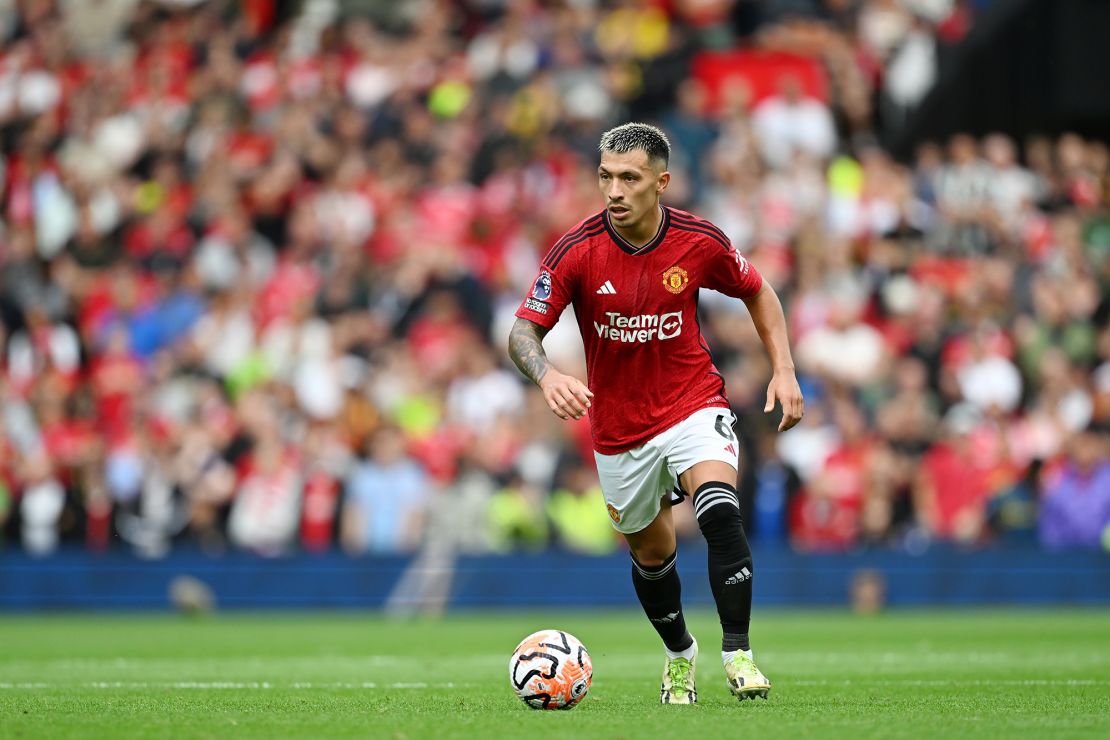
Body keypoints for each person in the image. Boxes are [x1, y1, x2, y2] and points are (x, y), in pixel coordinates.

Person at [508, 123, 804, 704]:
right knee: (651, 555)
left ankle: (738, 654)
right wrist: (547, 374)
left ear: (661, 182)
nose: (614, 191)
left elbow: (758, 291)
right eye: (605, 177)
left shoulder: (699, 241)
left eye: (629, 178)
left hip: (692, 402)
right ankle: (679, 656)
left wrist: (785, 368)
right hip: (619, 429)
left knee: (720, 510)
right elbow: (524, 330)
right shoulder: (577, 250)